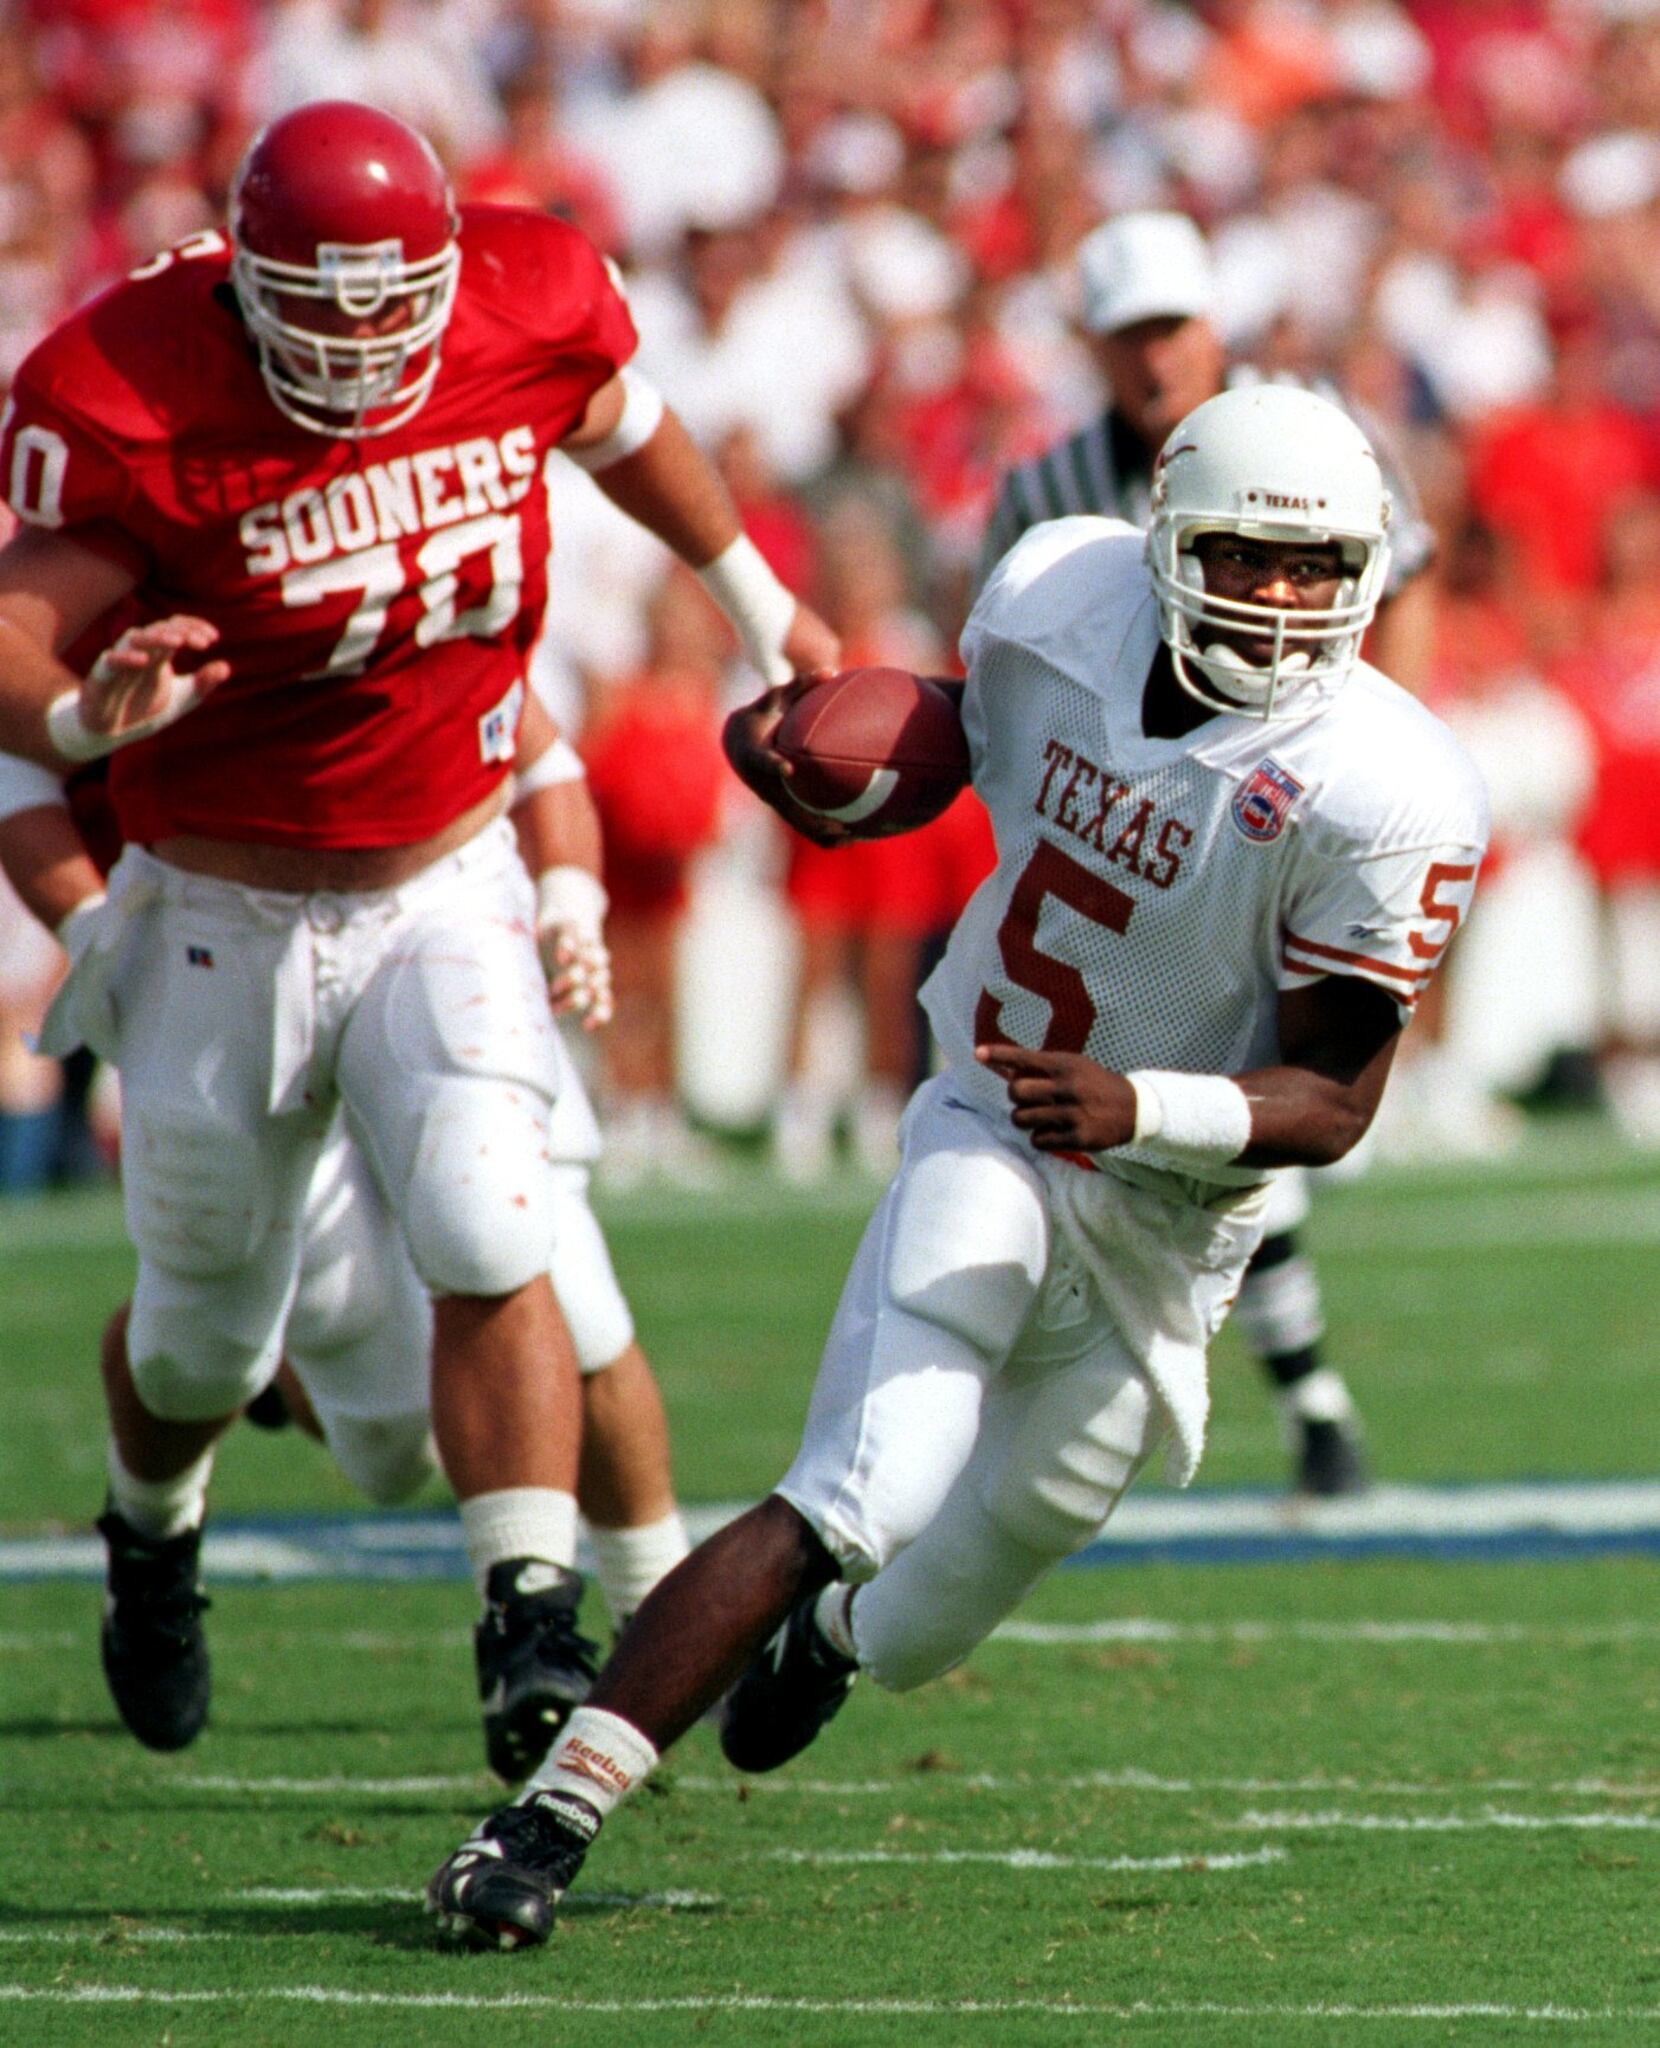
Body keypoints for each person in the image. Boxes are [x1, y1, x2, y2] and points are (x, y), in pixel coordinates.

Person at [425, 383, 1488, 1951]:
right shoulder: (1059, 595)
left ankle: (838, 1643)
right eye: (1247, 561)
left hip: (1168, 1214)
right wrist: (827, 773)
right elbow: (943, 743)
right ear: (1164, 541)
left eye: (1320, 566)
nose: (1281, 599)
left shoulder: (1388, 782)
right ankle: (543, 1819)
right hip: (992, 1111)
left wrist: (1144, 1108)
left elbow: (1334, 1101)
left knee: (940, 1604)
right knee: (865, 1485)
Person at [0, 101, 836, 1771]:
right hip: (223, 908)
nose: (370, 347)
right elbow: (14, 640)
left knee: (488, 1212)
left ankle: (531, 1620)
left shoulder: (523, 295)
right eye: (327, 312)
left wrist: (765, 607)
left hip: (447, 872)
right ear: (247, 286)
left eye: (403, 309)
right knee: (203, 1333)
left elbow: (626, 417)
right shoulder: (132, 386)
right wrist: (92, 715)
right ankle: (153, 1530)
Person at [0, 711, 694, 1763]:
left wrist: (569, 897)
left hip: (440, 936)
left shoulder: (416, 553)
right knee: (317, 1407)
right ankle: (153, 1525)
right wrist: (98, 929)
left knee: (555, 1278)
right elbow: (22, 758)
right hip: (236, 969)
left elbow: (534, 745)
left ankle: (648, 1620)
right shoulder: (145, 572)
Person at [975, 209, 1440, 1497]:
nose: (1152, 357)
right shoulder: (1046, 494)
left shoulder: (1306, 439)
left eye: (1170, 327)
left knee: (1251, 1099)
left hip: (1281, 825)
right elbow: (1003, 677)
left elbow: (1409, 580)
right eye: (1126, 335)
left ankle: (1307, 1401)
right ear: (1092, 344)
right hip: (1123, 845)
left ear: (1211, 325)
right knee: (1202, 1115)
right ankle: (1307, 1403)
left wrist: (1373, 796)